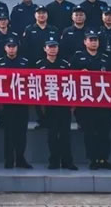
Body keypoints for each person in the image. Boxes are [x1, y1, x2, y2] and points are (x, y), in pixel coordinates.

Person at [69, 30, 111, 170]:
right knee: (90, 132)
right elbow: (69, 77)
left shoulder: (105, 57)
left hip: (104, 101)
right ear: (85, 42)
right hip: (86, 102)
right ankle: (93, 159)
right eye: (91, 40)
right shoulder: (78, 57)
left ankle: (104, 159)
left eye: (95, 40)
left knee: (104, 132)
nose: (93, 42)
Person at [35, 39, 77, 170]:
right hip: (48, 106)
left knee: (65, 135)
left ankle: (67, 162)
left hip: (63, 105)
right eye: (50, 47)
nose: (52, 49)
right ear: (45, 49)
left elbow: (71, 83)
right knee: (52, 135)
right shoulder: (39, 65)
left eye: (55, 47)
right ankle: (54, 161)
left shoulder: (65, 64)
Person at [0, 38, 32, 169]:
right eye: (9, 46)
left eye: (14, 46)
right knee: (8, 134)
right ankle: (9, 160)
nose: (11, 49)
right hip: (6, 104)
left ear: (17, 47)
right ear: (5, 48)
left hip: (22, 103)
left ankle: (21, 159)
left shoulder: (25, 62)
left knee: (21, 133)